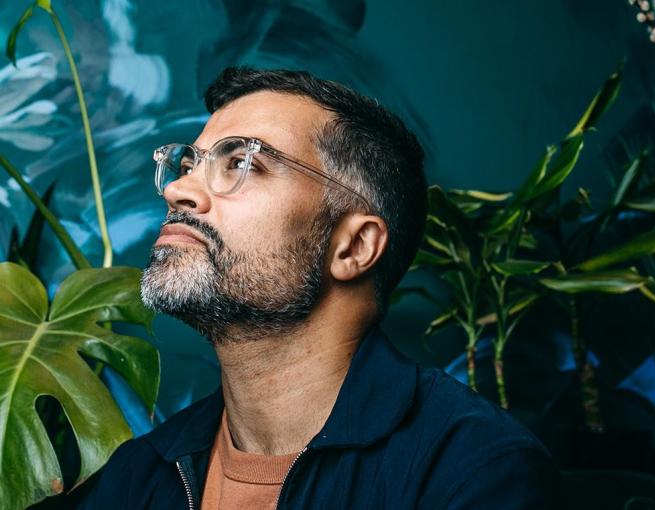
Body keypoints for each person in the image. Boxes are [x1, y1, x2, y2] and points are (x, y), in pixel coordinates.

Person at [79, 67, 564, 509]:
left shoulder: (473, 472)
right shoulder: (139, 475)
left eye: (241, 163)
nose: (177, 190)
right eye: (188, 166)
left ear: (353, 247)